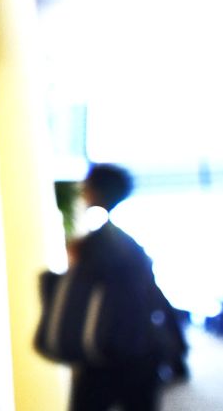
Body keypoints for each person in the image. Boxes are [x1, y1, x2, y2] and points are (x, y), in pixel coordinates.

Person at [63, 163, 183, 411]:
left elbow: (81, 299)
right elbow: (154, 295)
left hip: (108, 348)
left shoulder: (93, 245)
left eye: (86, 185)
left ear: (95, 190)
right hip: (140, 346)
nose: (82, 190)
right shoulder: (128, 243)